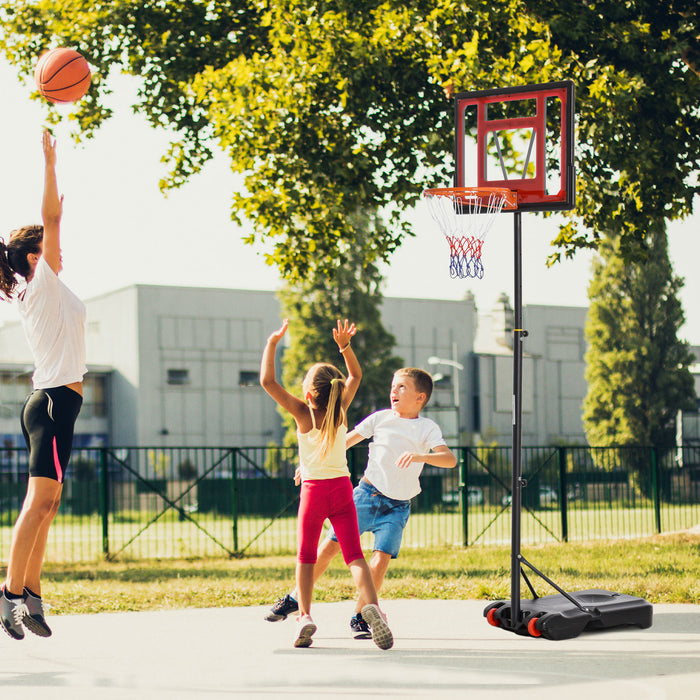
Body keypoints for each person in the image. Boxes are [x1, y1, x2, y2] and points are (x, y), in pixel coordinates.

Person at [265, 367, 457, 638]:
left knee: (380, 559)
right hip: (367, 495)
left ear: (420, 397)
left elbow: (450, 460)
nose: (394, 391)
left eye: (402, 387)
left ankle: (361, 615)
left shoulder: (427, 428)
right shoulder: (380, 418)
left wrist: (420, 456)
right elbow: (341, 441)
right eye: (393, 386)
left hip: (398, 506)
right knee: (330, 549)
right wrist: (308, 463)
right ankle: (295, 598)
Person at [0, 130, 86, 640]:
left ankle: (30, 592)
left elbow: (49, 226)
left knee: (49, 504)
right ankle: (9, 593)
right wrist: (50, 160)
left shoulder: (38, 289)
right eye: (50, 245)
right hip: (52, 403)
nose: (59, 248)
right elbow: (50, 219)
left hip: (58, 404)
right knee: (38, 503)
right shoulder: (44, 280)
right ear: (35, 256)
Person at [260, 318, 392, 650]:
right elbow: (356, 376)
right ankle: (371, 606)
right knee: (355, 557)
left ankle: (304, 616)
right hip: (342, 490)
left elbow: (267, 380)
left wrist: (273, 343)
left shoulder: (303, 413)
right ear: (334, 389)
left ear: (308, 393)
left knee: (306, 557)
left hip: (314, 493)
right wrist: (345, 346)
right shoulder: (340, 410)